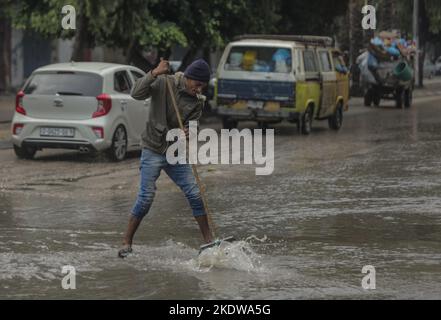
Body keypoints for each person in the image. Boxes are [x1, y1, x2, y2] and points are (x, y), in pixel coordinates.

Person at [118, 58, 214, 258]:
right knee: (146, 197)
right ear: (188, 78)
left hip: (175, 152)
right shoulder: (164, 82)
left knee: (195, 194)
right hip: (153, 148)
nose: (199, 89)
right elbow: (135, 93)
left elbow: (194, 126)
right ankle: (126, 241)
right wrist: (154, 73)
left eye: (203, 86)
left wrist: (190, 133)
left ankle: (210, 242)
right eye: (197, 84)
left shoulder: (197, 102)